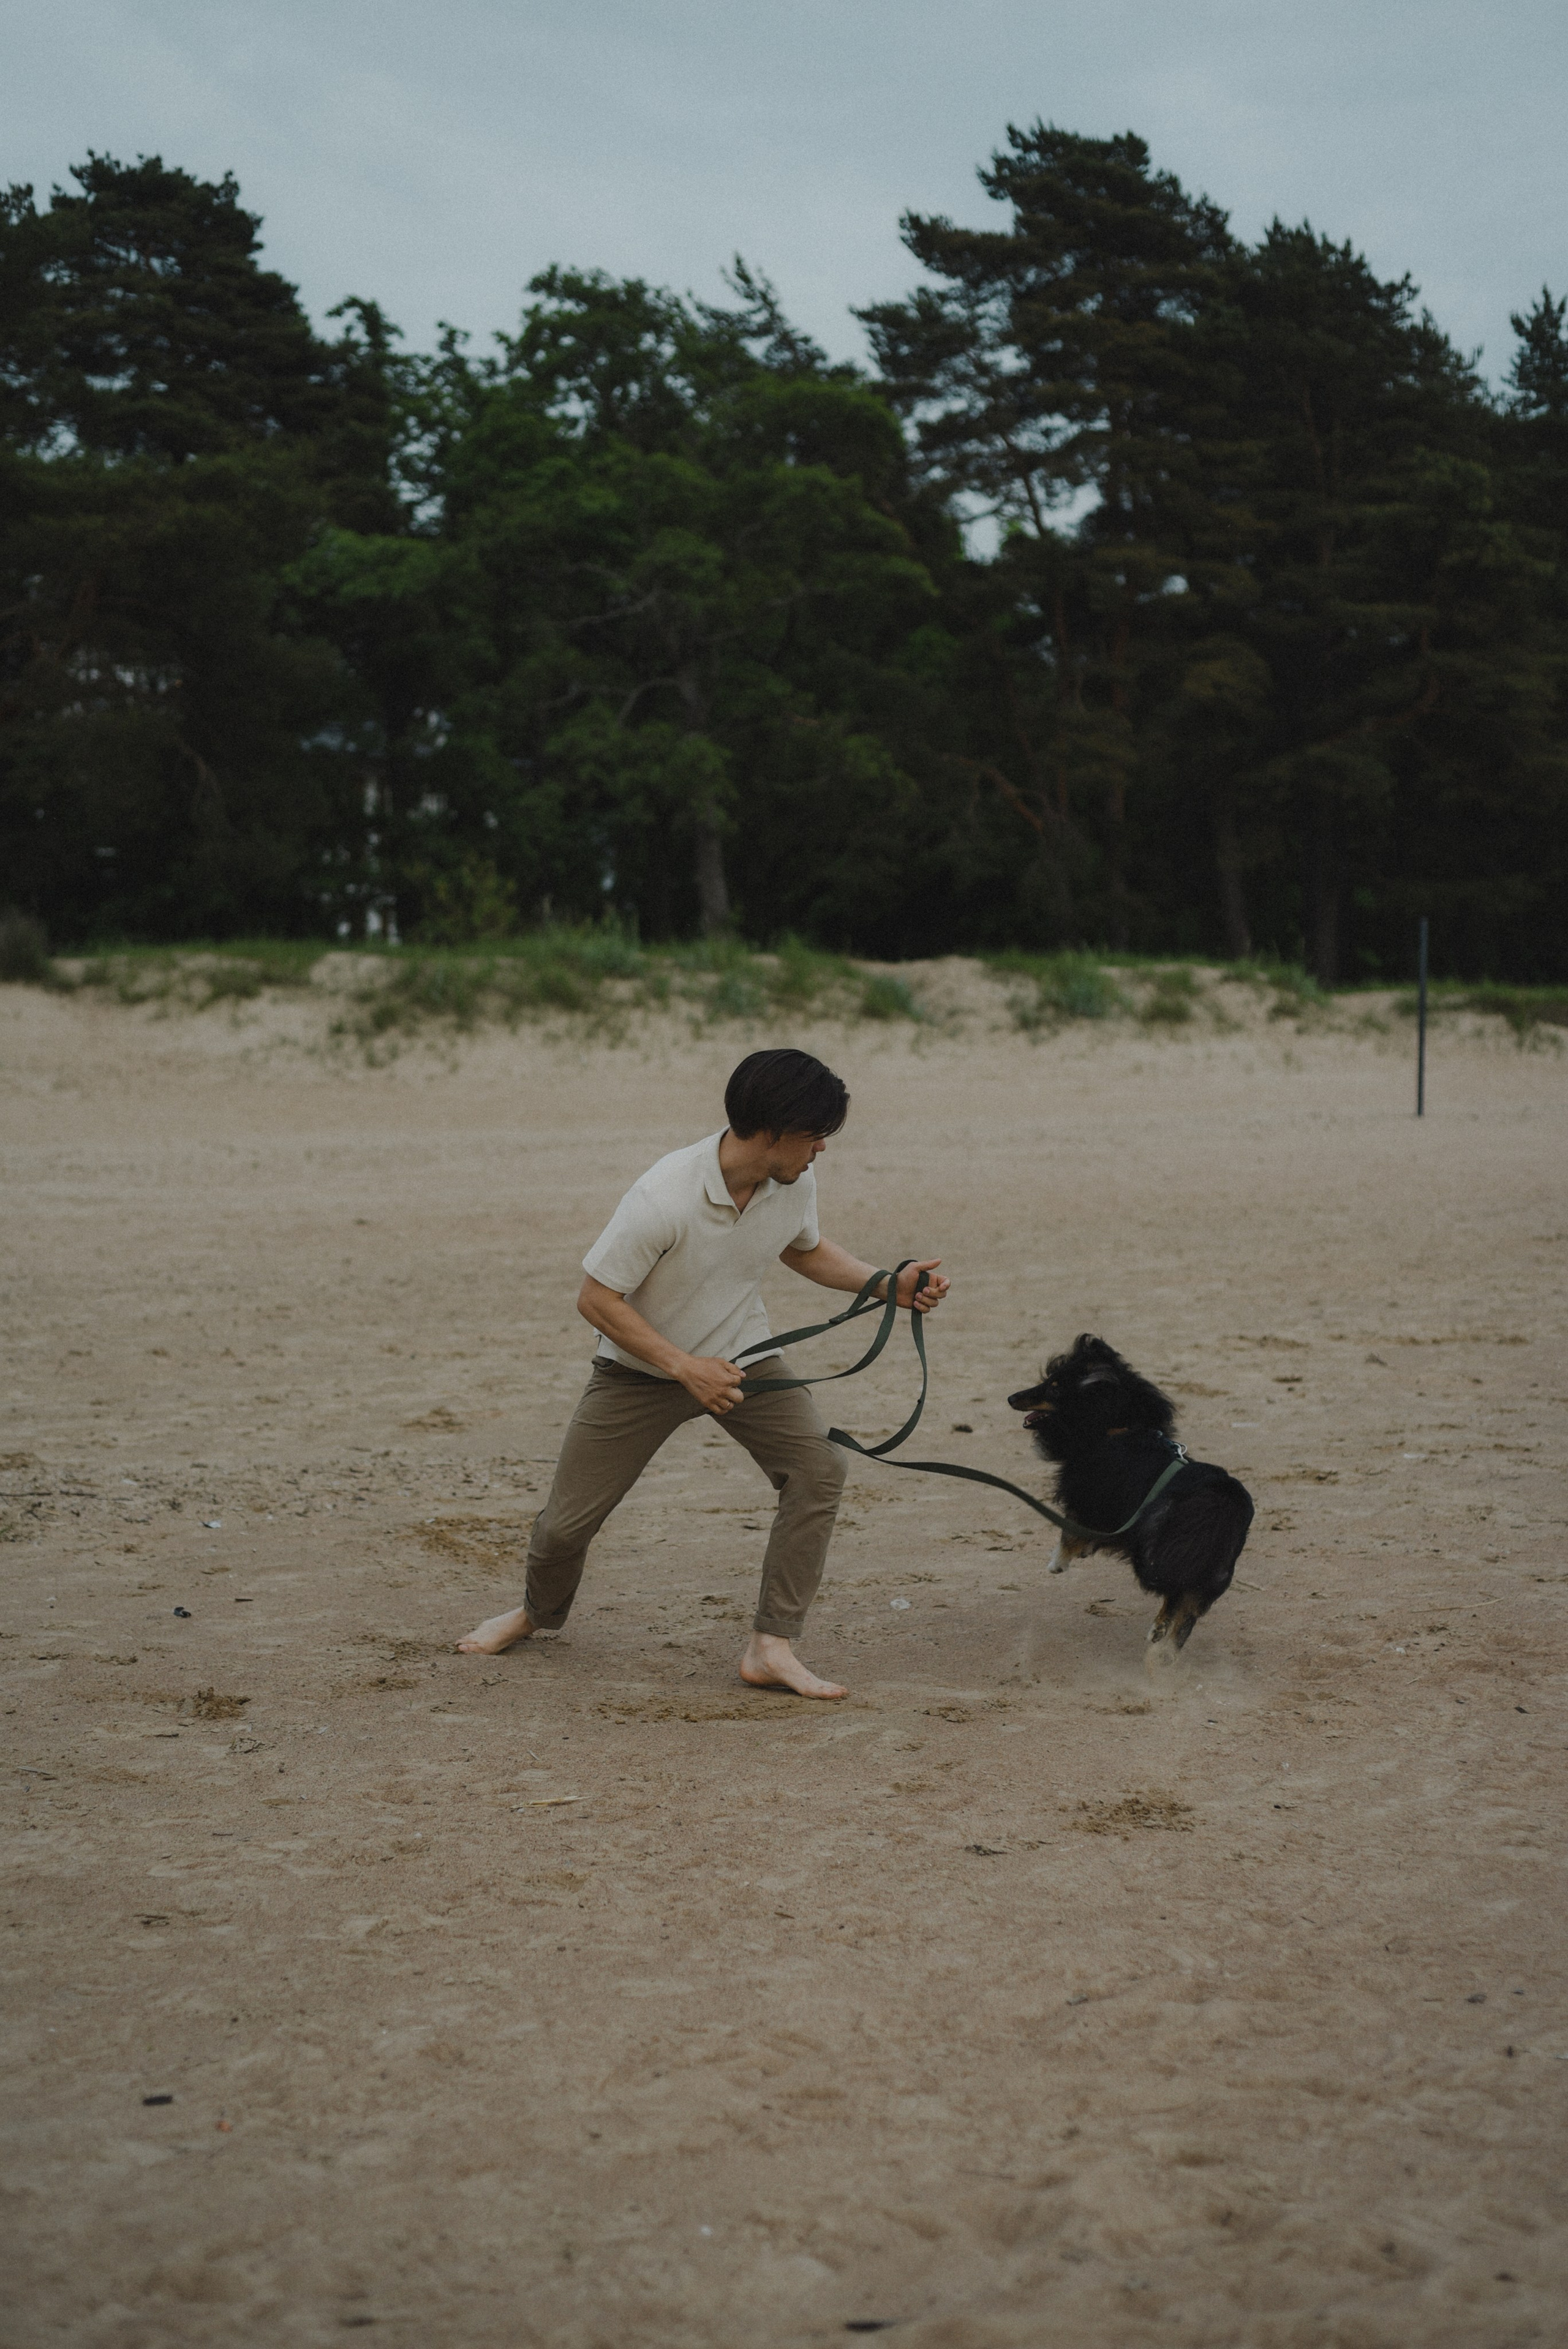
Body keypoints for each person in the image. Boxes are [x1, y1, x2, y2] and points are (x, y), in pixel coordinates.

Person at [457, 1047, 948, 1699]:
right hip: (639, 1371)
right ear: (774, 1129)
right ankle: (533, 1614)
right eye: (816, 1133)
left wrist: (888, 1284)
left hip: (745, 1356)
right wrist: (683, 1367)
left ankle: (771, 1646)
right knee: (563, 1529)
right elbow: (596, 1299)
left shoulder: (792, 1182)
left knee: (819, 1467)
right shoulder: (664, 1195)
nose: (823, 1148)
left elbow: (802, 1248)